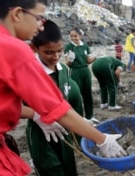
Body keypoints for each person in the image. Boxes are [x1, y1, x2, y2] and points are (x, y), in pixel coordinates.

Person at [0, 1, 126, 175]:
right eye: (39, 18)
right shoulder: (14, 49)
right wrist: (102, 140)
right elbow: (56, 107)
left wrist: (82, 120)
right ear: (17, 14)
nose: (41, 25)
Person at [25, 20, 85, 176]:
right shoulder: (29, 72)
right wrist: (36, 115)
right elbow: (10, 106)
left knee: (69, 167)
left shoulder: (63, 69)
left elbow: (70, 101)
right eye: (49, 52)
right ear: (35, 48)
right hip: (42, 133)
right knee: (52, 170)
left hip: (64, 130)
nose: (56, 57)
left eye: (59, 51)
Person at [64, 27, 98, 123]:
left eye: (75, 36)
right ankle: (79, 118)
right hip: (75, 71)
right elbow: (68, 64)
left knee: (87, 93)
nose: (73, 38)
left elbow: (87, 61)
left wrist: (94, 57)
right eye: (71, 36)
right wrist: (70, 59)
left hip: (85, 71)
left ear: (80, 36)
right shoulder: (69, 47)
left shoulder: (85, 46)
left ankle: (89, 116)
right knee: (76, 95)